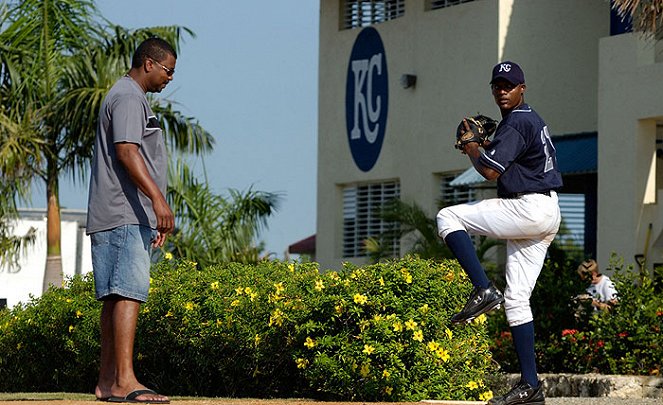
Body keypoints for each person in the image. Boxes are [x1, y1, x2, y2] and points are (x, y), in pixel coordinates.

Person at [436, 61, 563, 405]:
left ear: (523, 88)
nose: (502, 90)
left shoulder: (519, 120)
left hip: (529, 208)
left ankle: (482, 289)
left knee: (448, 217)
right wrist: (483, 144)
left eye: (509, 85)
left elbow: (491, 171)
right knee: (519, 300)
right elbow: (505, 157)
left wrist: (474, 147)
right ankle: (531, 386)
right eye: (497, 85)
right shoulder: (525, 120)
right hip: (544, 212)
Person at [86, 37, 176, 404]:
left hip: (115, 211)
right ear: (149, 64)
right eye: (168, 70)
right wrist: (158, 201)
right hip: (125, 211)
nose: (170, 78)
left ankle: (108, 382)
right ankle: (124, 380)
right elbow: (126, 150)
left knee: (114, 294)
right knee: (128, 292)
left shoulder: (124, 95)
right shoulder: (128, 97)